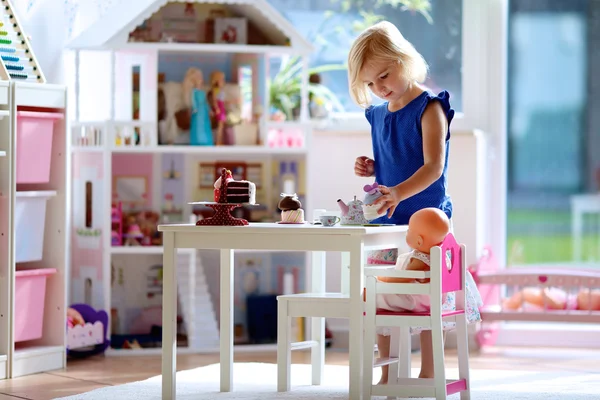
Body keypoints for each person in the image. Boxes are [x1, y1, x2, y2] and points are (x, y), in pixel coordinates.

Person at [347, 21, 482, 383]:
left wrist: (398, 192)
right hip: (387, 224)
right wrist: (373, 167)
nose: (379, 88)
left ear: (403, 60)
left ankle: (429, 370)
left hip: (426, 223)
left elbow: (433, 167)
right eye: (370, 84)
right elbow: (394, 162)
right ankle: (387, 372)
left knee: (426, 299)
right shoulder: (378, 115)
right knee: (378, 291)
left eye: (384, 76)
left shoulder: (429, 107)